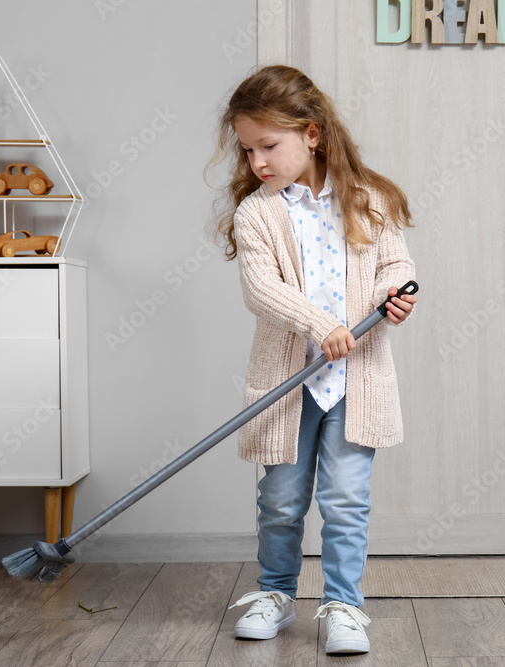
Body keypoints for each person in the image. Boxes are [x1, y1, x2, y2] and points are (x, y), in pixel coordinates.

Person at [209, 65, 417, 655]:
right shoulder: (259, 213)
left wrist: (395, 294)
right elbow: (261, 290)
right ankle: (275, 594)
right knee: (280, 497)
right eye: (248, 150)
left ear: (313, 134)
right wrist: (321, 323)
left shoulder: (368, 199)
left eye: (268, 146)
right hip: (289, 381)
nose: (257, 162)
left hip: (355, 380)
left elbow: (394, 266)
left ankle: (345, 607)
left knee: (347, 498)